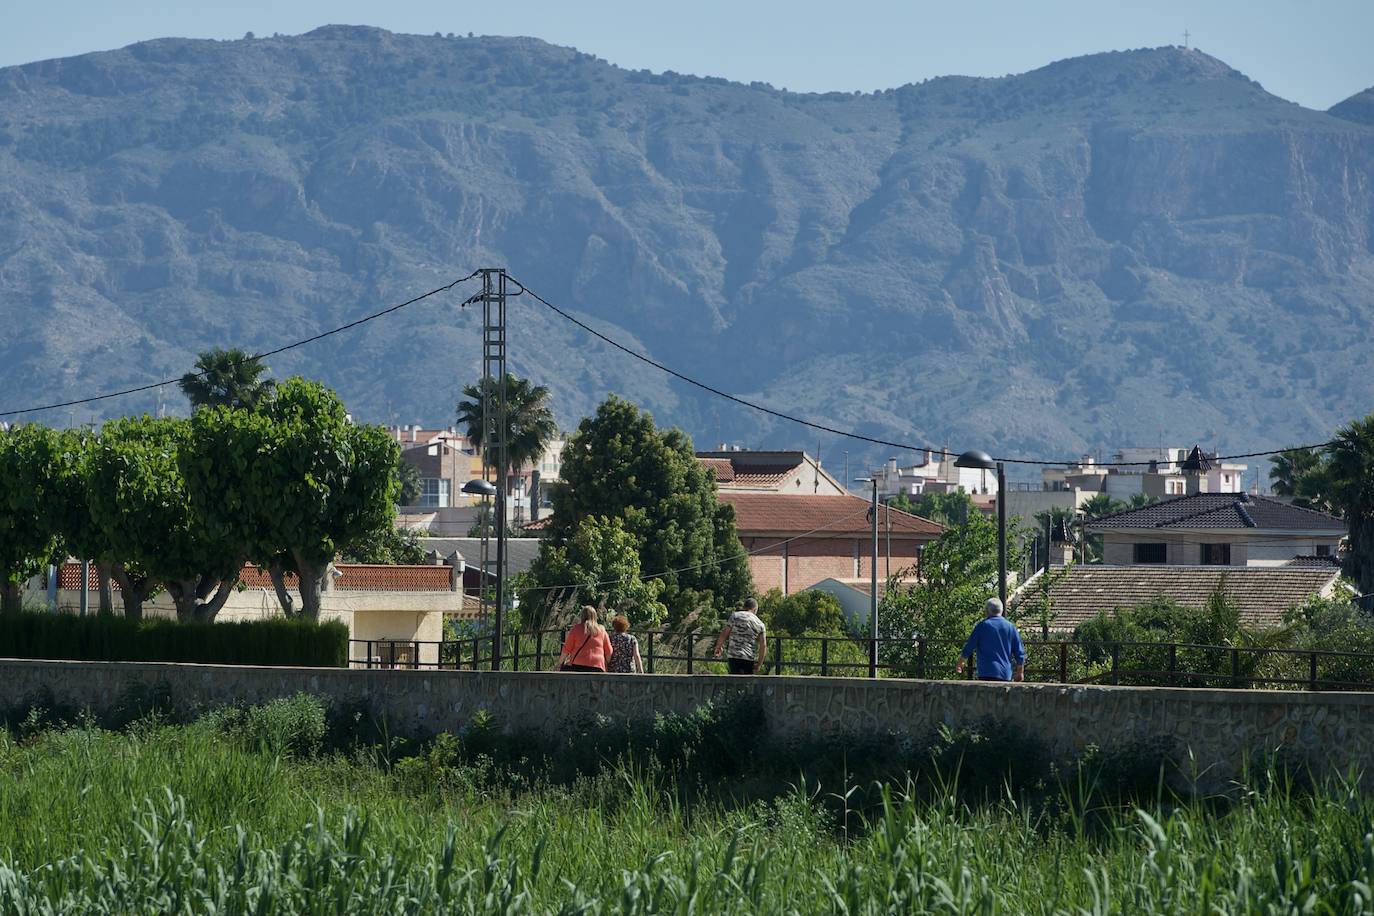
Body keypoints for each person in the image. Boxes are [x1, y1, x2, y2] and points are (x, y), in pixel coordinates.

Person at [955, 597, 1026, 682]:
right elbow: (1019, 652)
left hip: (985, 672)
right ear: (1002, 611)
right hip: (1004, 674)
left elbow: (970, 646)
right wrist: (1020, 672)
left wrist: (960, 662)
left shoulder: (982, 626)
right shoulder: (1011, 627)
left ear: (987, 611)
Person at [712, 597, 767, 674]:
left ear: (744, 607)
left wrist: (718, 647)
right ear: (755, 609)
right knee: (746, 683)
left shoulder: (735, 616)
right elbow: (763, 645)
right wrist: (759, 664)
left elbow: (724, 633)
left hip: (734, 655)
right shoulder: (760, 624)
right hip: (749, 657)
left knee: (734, 681)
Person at [558, 606, 614, 672]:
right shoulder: (602, 631)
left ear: (582, 616)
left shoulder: (576, 629)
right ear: (595, 616)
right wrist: (606, 663)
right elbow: (609, 652)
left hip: (578, 665)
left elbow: (567, 649)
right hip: (597, 666)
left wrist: (559, 664)